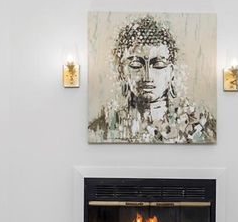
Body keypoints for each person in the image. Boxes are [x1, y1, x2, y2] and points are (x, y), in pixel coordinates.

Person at [88, 15, 215, 144]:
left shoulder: (198, 124)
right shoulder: (102, 127)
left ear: (171, 73)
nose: (147, 76)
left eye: (158, 65)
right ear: (122, 72)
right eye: (136, 65)